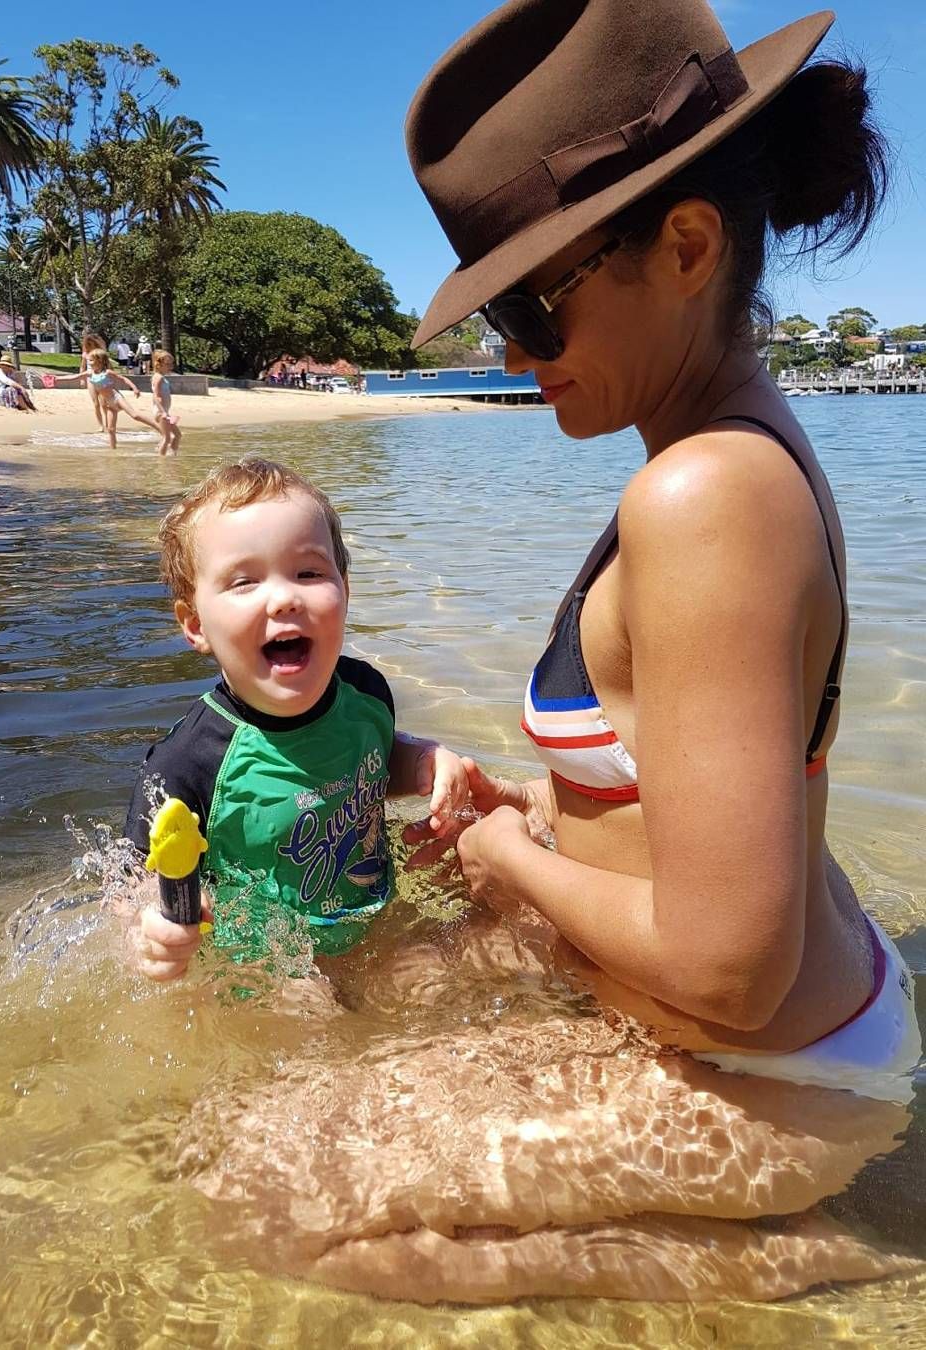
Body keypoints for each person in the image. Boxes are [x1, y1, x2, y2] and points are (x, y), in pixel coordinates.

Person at [184, 0, 922, 1305]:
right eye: (498, 318)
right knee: (380, 979)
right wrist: (539, 804)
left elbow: (731, 971)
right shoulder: (727, 453)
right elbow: (698, 776)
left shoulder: (703, 496)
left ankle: (809, 1257)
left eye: (532, 305)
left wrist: (506, 857)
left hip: (769, 1074)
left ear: (685, 247)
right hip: (796, 1011)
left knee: (254, 1193)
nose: (514, 355)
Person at [124, 457, 468, 978]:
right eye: (244, 582)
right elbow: (133, 882)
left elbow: (372, 761)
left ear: (345, 590)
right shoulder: (186, 764)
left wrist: (423, 760)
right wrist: (151, 930)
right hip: (267, 967)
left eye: (309, 573)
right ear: (195, 625)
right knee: (307, 1010)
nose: (285, 597)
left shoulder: (367, 693)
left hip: (376, 922)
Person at [150, 349, 181, 455]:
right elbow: (156, 396)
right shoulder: (158, 378)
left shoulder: (161, 377)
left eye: (171, 364)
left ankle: (172, 455)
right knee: (167, 438)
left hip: (164, 411)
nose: (170, 367)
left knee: (177, 435)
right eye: (167, 364)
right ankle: (161, 459)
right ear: (158, 365)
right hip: (160, 412)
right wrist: (163, 412)